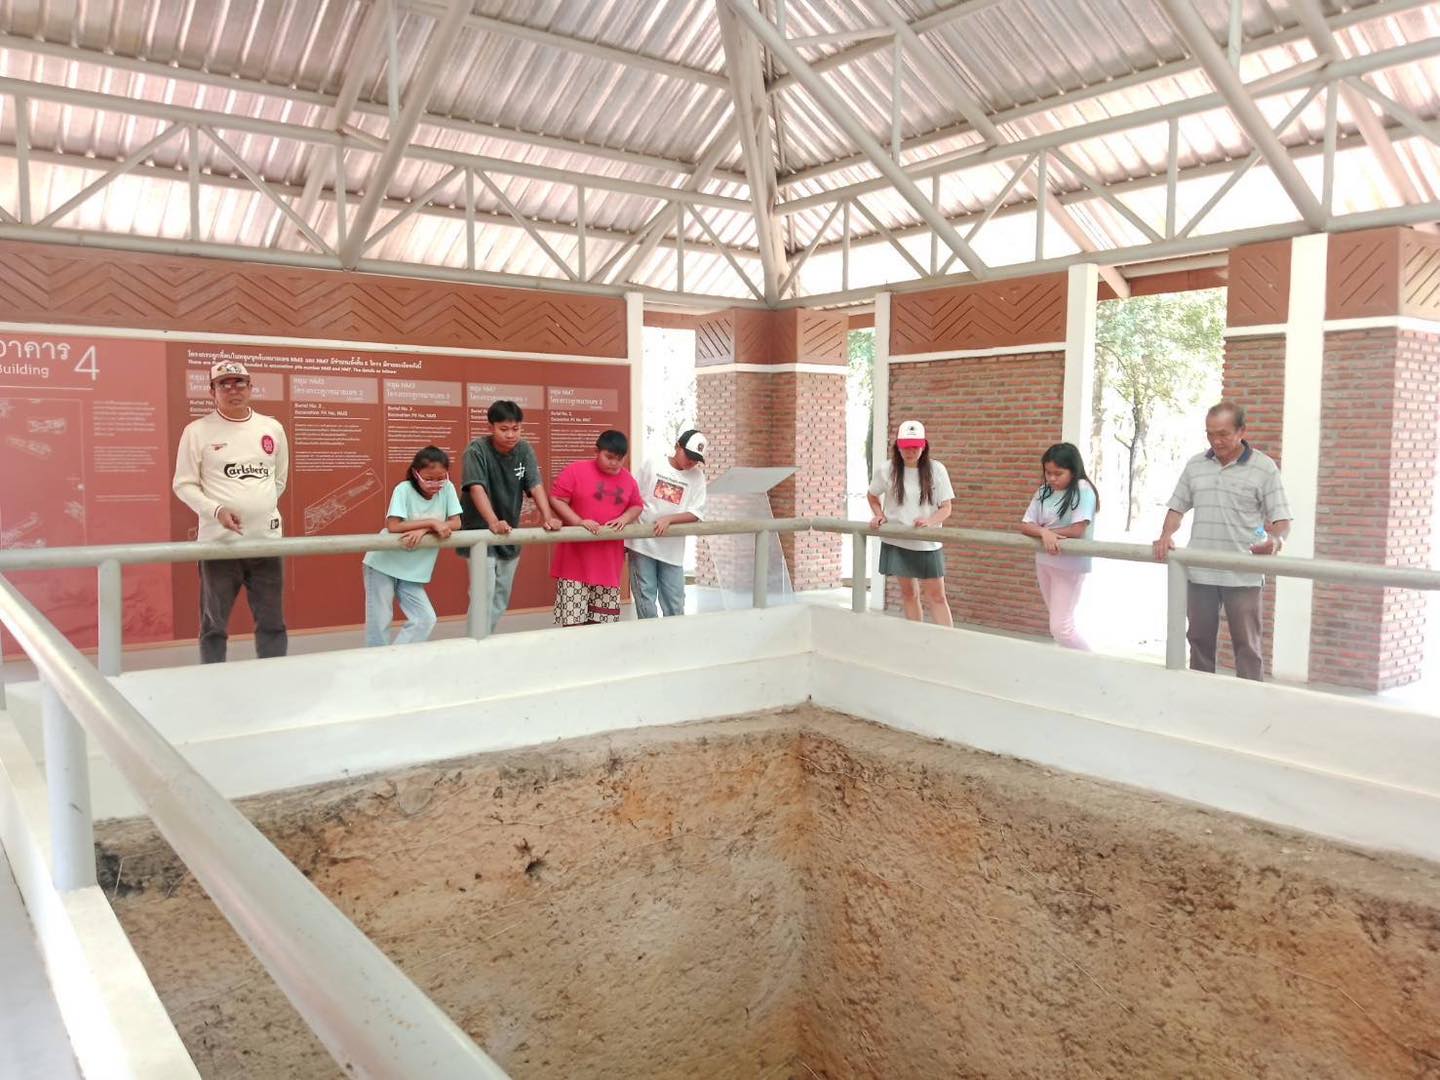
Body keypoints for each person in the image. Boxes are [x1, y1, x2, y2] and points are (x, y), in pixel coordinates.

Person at [1152, 400, 1292, 681]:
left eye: (1223, 434)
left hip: (1243, 573)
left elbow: (1281, 520)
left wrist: (1276, 542)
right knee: (1199, 642)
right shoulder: (1195, 465)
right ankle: (1200, 697)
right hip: (1200, 572)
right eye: (1210, 434)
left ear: (1241, 431)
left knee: (1247, 647)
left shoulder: (1264, 468)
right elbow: (1177, 507)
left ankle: (1250, 699)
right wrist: (1166, 535)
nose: (1216, 441)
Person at [172, 360, 289, 663]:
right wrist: (217, 509)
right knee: (214, 625)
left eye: (239, 383)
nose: (233, 390)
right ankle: (213, 679)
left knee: (273, 622)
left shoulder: (272, 428)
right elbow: (183, 484)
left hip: (266, 543)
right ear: (212, 391)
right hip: (219, 546)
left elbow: (278, 480)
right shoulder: (197, 431)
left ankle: (276, 676)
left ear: (250, 388)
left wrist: (257, 509)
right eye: (224, 384)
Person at [458, 400, 562, 633]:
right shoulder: (476, 450)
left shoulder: (524, 450)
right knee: (483, 592)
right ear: (490, 427)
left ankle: (483, 638)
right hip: (479, 531)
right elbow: (476, 488)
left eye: (516, 429)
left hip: (508, 532)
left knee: (501, 597)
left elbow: (535, 484)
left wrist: (548, 516)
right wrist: (493, 522)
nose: (510, 434)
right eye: (503, 429)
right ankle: (475, 643)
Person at [361, 446, 462, 647]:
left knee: (425, 619)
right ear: (416, 473)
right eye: (429, 479)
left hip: (413, 570)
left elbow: (455, 522)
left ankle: (395, 659)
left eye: (440, 478)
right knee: (380, 621)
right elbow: (394, 525)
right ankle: (376, 661)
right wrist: (431, 523)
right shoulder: (403, 489)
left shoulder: (447, 488)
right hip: (383, 563)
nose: (435, 484)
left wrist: (424, 529)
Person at [549, 430, 645, 627]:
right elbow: (557, 499)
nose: (614, 463)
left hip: (608, 564)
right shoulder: (575, 471)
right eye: (609, 457)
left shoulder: (628, 480)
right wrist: (578, 521)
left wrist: (624, 518)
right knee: (573, 623)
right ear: (596, 451)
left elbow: (637, 505)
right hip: (574, 562)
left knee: (602, 625)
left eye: (619, 459)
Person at [867, 419, 955, 626]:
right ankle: (916, 638)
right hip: (897, 540)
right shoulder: (886, 469)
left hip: (927, 543)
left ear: (924, 446)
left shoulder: (937, 470)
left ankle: (948, 641)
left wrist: (929, 522)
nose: (910, 451)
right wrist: (879, 514)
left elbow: (946, 508)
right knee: (909, 594)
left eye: (915, 446)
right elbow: (872, 495)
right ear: (898, 446)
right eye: (906, 446)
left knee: (937, 596)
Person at [1019, 443, 1099, 650]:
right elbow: (1025, 525)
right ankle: (1072, 663)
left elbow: (1077, 530)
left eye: (1058, 473)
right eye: (1048, 473)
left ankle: (1092, 663)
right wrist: (1043, 533)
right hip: (1045, 561)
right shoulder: (1044, 491)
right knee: (1058, 624)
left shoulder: (1083, 489)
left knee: (1061, 628)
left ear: (1073, 471)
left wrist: (1046, 531)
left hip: (1070, 565)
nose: (1052, 478)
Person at [626, 429, 709, 619]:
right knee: (645, 595)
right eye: (688, 455)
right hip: (642, 544)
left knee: (674, 600)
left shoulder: (697, 477)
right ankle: (650, 634)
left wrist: (670, 519)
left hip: (672, 549)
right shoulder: (653, 463)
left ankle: (673, 635)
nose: (691, 462)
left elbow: (697, 512)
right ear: (678, 446)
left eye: (696, 459)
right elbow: (634, 497)